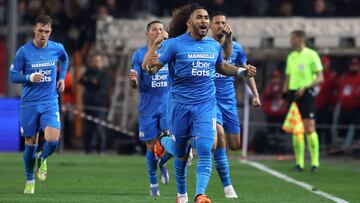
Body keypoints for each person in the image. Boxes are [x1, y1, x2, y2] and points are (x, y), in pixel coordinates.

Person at [142, 4, 257, 203]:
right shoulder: (175, 45)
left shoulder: (213, 46)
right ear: (189, 22)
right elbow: (151, 69)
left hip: (206, 104)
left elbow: (221, 66)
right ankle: (164, 142)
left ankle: (199, 195)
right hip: (179, 105)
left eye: (206, 17)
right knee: (180, 152)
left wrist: (241, 71)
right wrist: (152, 55)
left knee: (205, 147)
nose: (204, 20)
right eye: (199, 17)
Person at [8, 15, 69, 194]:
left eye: (47, 31)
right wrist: (29, 77)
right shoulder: (24, 52)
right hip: (29, 103)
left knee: (52, 140)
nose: (44, 34)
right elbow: (12, 76)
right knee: (30, 142)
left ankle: (43, 157)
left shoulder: (57, 48)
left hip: (50, 101)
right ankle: (29, 179)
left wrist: (62, 77)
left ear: (51, 32)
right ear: (34, 29)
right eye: (41, 30)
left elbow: (65, 59)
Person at [210, 11, 261, 199]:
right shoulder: (206, 46)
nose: (220, 25)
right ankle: (228, 187)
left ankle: (192, 142)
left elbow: (246, 72)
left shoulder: (237, 48)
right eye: (217, 22)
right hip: (210, 100)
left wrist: (255, 95)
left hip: (228, 101)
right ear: (210, 26)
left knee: (234, 144)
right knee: (219, 136)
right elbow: (223, 56)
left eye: (223, 22)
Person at [128, 20, 172, 196]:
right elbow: (134, 81)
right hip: (148, 109)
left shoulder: (170, 52)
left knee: (171, 145)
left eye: (161, 29)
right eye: (155, 30)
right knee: (151, 147)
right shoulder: (139, 55)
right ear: (148, 34)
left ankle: (162, 162)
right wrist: (133, 80)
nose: (158, 32)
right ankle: (153, 185)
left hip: (168, 107)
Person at [282, 30, 324, 173]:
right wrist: (284, 91)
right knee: (296, 130)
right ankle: (299, 163)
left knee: (310, 128)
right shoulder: (291, 56)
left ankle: (315, 163)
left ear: (300, 39)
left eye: (292, 38)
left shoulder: (312, 54)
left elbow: (320, 78)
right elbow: (288, 77)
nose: (290, 41)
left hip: (306, 93)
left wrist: (305, 87)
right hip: (293, 93)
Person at [79, 52, 109, 154]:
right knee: (87, 129)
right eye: (94, 61)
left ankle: (101, 150)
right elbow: (81, 80)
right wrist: (92, 81)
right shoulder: (89, 72)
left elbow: (102, 86)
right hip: (88, 105)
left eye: (98, 61)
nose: (96, 63)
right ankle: (87, 150)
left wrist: (91, 81)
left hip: (100, 106)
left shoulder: (104, 74)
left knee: (100, 128)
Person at [336, 57, 360, 142]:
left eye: (355, 65)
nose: (353, 67)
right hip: (344, 107)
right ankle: (339, 148)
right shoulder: (346, 76)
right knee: (341, 128)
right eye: (352, 65)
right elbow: (340, 89)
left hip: (356, 107)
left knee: (357, 130)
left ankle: (356, 149)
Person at [262, 70, 288, 135]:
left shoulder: (283, 87)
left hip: (281, 112)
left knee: (281, 129)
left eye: (277, 78)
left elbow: (285, 97)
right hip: (271, 112)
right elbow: (266, 96)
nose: (275, 80)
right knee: (271, 129)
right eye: (274, 78)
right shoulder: (269, 87)